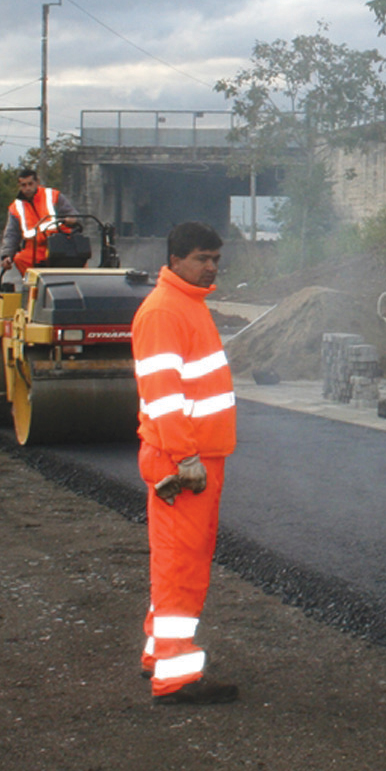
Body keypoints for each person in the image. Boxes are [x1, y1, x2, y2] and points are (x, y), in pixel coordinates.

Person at [132, 220, 239, 705]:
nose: (210, 267)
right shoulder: (163, 313)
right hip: (183, 462)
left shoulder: (188, 306)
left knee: (177, 561)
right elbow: (163, 397)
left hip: (196, 457)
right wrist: (186, 456)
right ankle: (175, 675)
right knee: (183, 566)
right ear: (174, 260)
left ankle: (159, 652)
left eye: (215, 258)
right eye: (201, 258)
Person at [0, 167, 76, 276]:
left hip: (61, 242)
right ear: (19, 186)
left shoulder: (53, 196)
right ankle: (34, 288)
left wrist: (71, 220)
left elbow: (72, 215)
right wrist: (6, 255)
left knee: (78, 254)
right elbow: (12, 234)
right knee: (20, 258)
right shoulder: (15, 207)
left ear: (37, 182)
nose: (27, 188)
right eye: (23, 185)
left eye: (30, 184)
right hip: (35, 247)